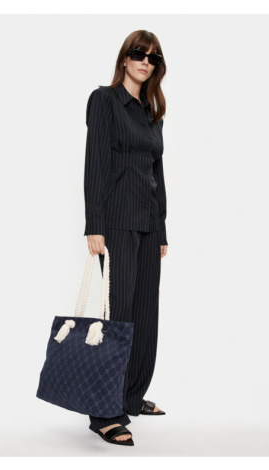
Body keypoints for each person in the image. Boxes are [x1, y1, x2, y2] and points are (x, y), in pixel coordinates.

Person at [83, 30, 168, 446]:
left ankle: (131, 395)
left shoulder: (152, 113)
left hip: (149, 226)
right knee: (118, 316)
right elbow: (95, 163)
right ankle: (104, 412)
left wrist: (162, 228)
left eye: (153, 58)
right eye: (139, 54)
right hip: (116, 224)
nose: (145, 62)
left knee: (144, 314)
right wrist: (94, 224)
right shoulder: (105, 101)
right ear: (124, 58)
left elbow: (156, 173)